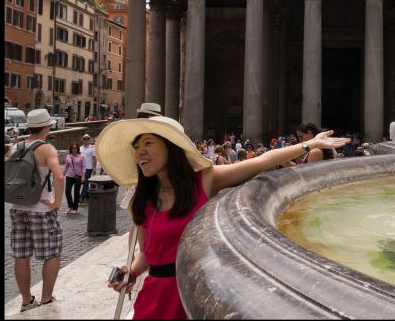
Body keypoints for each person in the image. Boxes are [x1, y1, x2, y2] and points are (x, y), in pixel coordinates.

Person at [101, 116, 349, 319]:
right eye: (136, 147)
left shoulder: (205, 180)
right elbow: (146, 253)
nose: (139, 152)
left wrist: (310, 144)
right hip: (155, 297)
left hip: (196, 289)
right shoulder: (143, 200)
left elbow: (262, 161)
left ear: (170, 146)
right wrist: (131, 273)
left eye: (147, 144)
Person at [9, 109, 64, 311]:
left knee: (21, 254)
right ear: (47, 126)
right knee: (53, 252)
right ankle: (47, 299)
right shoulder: (47, 149)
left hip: (17, 207)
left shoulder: (18, 145)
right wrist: (57, 201)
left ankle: (26, 301)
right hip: (40, 209)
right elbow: (59, 176)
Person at [63, 143, 86, 214]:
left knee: (76, 193)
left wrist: (83, 176)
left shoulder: (81, 156)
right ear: (71, 149)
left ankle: (75, 208)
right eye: (72, 148)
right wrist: (62, 174)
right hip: (69, 176)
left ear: (77, 149)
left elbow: (84, 166)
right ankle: (70, 206)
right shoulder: (68, 156)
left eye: (75, 148)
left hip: (78, 176)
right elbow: (66, 166)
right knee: (67, 191)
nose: (74, 149)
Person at [79, 134, 97, 204]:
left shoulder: (92, 148)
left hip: (89, 167)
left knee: (86, 182)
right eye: (85, 139)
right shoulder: (80, 148)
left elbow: (94, 159)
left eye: (87, 139)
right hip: (81, 168)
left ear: (89, 140)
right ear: (83, 140)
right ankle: (87, 197)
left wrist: (94, 168)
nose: (86, 141)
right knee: (84, 183)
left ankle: (81, 197)